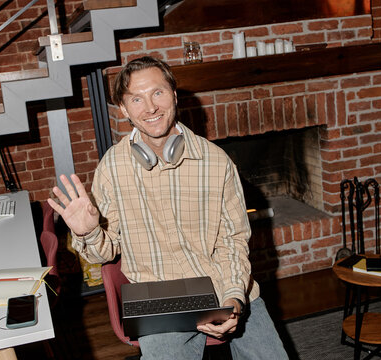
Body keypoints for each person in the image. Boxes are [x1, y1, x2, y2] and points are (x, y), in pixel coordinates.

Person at [47, 56, 288, 359]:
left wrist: (233, 299)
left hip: (221, 285)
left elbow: (233, 242)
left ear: (174, 96)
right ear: (124, 110)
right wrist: (90, 232)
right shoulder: (112, 167)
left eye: (158, 93)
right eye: (137, 98)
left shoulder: (216, 162)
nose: (150, 108)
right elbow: (104, 253)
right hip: (157, 295)